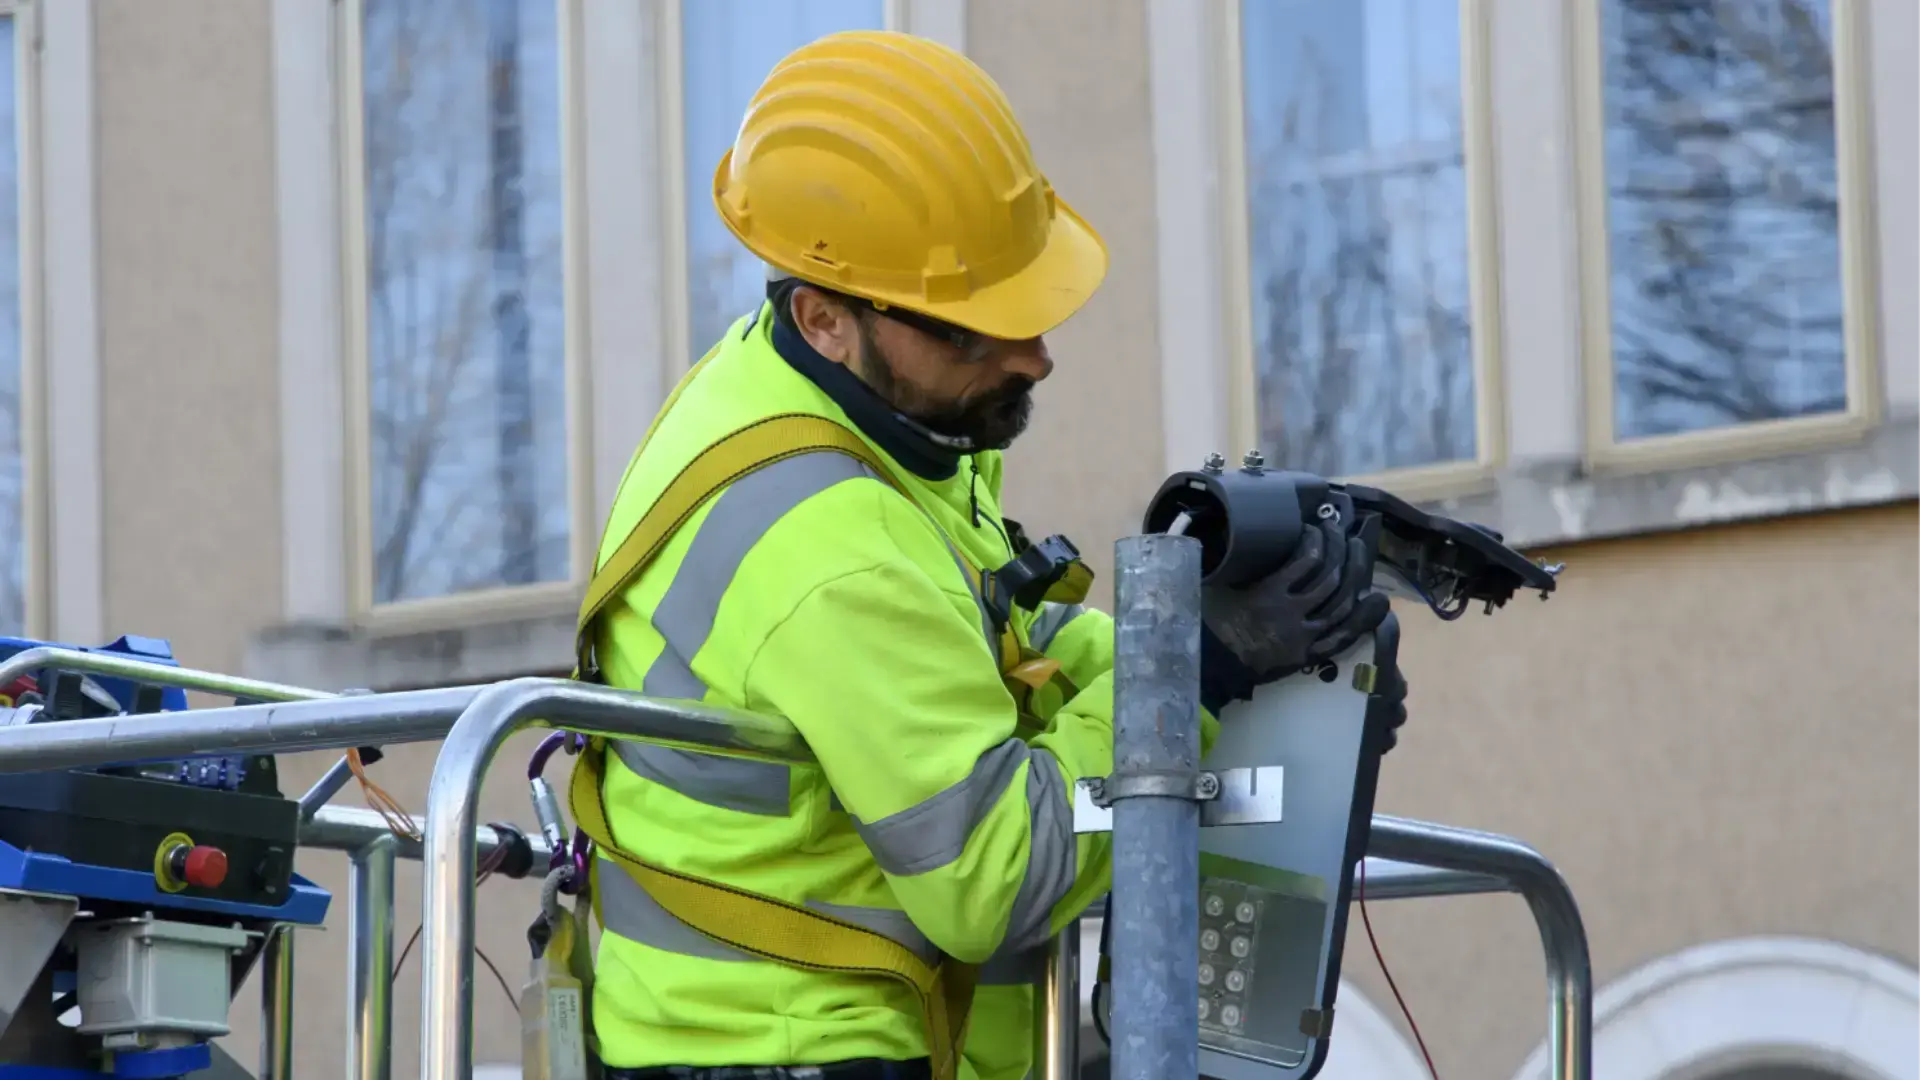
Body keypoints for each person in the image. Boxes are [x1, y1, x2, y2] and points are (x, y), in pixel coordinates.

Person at [565, 28, 1396, 1080]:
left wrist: (1215, 656)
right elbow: (996, 873)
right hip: (800, 1055)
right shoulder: (827, 540)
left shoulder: (823, 404)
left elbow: (983, 641)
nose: (1034, 355)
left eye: (1028, 308)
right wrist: (1198, 673)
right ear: (825, 318)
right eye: (975, 330)